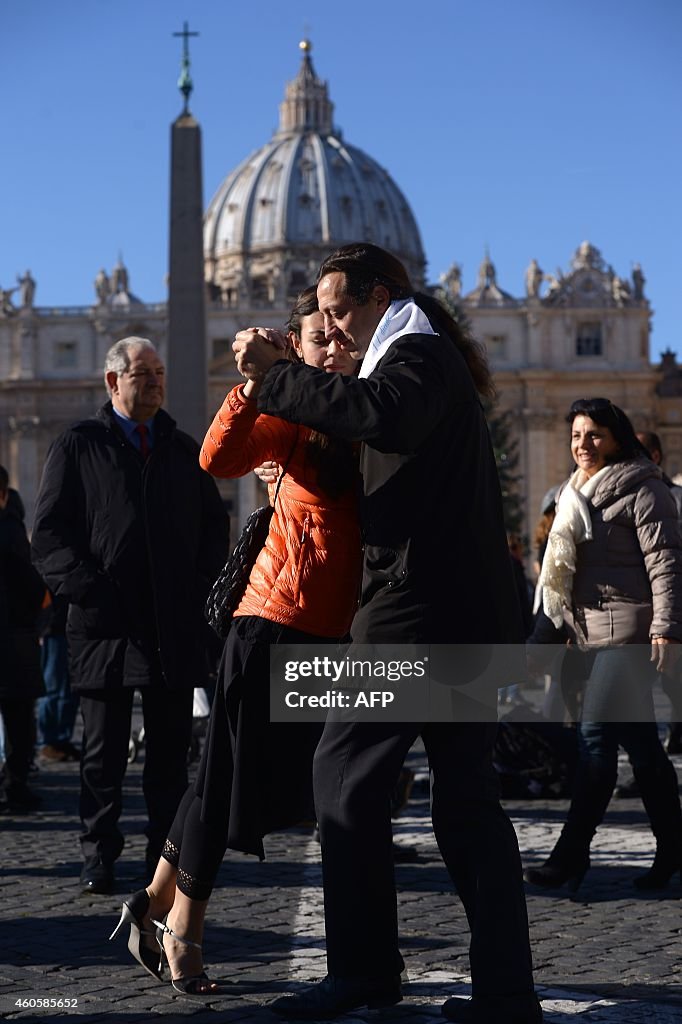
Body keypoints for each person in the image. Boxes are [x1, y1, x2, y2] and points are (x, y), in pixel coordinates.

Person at [233, 243, 542, 1024]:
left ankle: (365, 972)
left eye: (338, 309)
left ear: (380, 296)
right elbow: (374, 449)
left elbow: (385, 419)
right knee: (465, 804)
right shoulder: (415, 359)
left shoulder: (415, 355)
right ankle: (506, 995)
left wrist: (280, 375)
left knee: (341, 773)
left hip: (415, 616)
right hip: (458, 616)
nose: (329, 325)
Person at [110, 289, 360, 995]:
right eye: (317, 339)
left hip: (324, 627)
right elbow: (218, 458)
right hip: (273, 617)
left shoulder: (364, 409)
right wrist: (257, 384)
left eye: (339, 336)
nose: (333, 347)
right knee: (227, 782)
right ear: (294, 347)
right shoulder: (291, 414)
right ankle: (182, 927)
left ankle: (157, 898)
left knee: (227, 773)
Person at [31, 337, 229, 893]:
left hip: (171, 625)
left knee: (169, 759)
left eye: (161, 373)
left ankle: (162, 861)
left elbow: (214, 530)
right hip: (105, 626)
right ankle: (98, 853)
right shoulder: (77, 445)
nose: (158, 383)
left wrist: (199, 591)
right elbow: (48, 535)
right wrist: (90, 591)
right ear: (113, 381)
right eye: (145, 374)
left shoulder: (183, 447)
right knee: (101, 756)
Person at [525, 398, 682, 893]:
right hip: (589, 635)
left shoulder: (643, 487)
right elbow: (560, 577)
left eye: (594, 434)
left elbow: (666, 562)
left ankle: (570, 855)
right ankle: (674, 849)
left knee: (594, 741)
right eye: (576, 435)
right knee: (642, 749)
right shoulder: (574, 492)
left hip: (629, 633)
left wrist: (666, 627)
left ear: (618, 438)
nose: (582, 444)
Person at [0, 471, 46, 813]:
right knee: (18, 718)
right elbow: (30, 582)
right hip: (13, 636)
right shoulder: (10, 531)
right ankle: (15, 785)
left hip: (13, 633)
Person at [37, 593, 81, 763]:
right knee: (53, 688)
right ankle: (48, 741)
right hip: (54, 627)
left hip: (68, 626)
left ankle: (62, 738)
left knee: (69, 691)